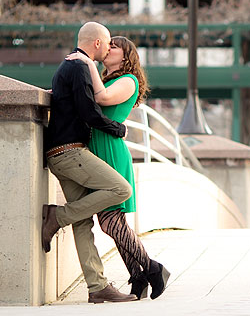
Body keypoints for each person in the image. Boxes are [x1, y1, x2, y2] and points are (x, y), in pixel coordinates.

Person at [65, 36, 171, 300]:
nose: (108, 48)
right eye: (108, 44)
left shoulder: (128, 81)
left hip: (111, 151)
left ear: (126, 56)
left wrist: (86, 61)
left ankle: (153, 268)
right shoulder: (107, 77)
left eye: (114, 46)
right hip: (98, 150)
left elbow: (101, 98)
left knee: (110, 222)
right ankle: (138, 278)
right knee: (113, 221)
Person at [41, 21, 137, 304]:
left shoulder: (70, 65)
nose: (108, 49)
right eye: (107, 44)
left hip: (58, 153)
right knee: (121, 189)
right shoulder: (80, 66)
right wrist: (117, 129)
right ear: (97, 43)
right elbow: (89, 110)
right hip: (70, 152)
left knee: (82, 222)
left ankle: (97, 287)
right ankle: (56, 217)